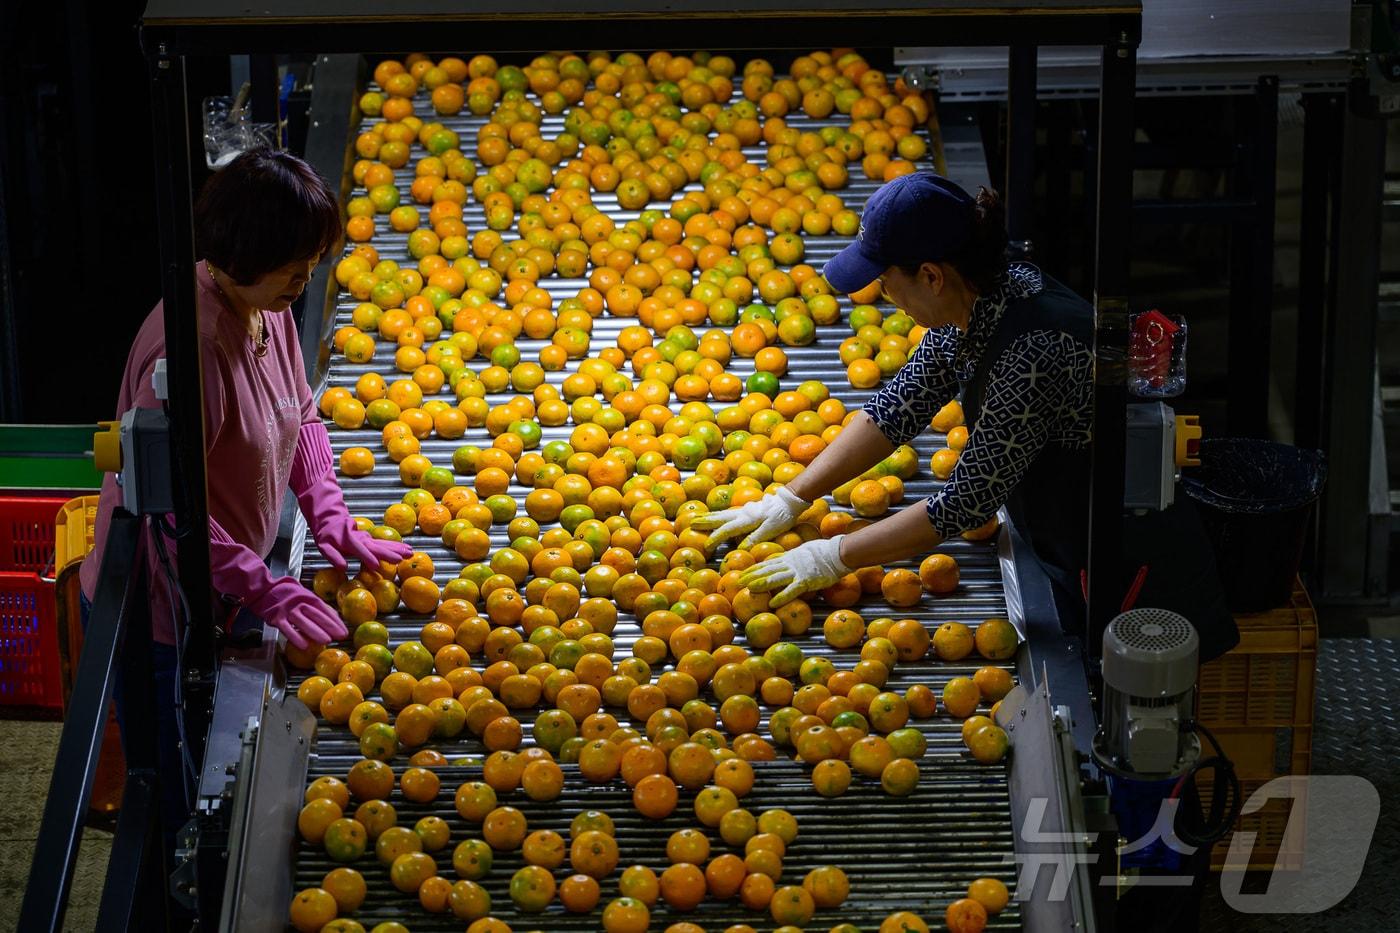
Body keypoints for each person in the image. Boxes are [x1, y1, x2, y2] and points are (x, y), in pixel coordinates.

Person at [694, 171, 1234, 662]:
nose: (881, 296)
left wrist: (830, 557)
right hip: (1068, 538)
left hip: (1132, 580)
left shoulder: (1034, 348)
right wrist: (792, 497)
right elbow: (897, 409)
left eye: (886, 281)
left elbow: (964, 502)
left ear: (930, 276)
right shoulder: (979, 299)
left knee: (1134, 719)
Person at [80, 148, 410, 846]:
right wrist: (266, 588)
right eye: (295, 264)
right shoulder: (191, 348)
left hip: (225, 587)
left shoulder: (271, 305)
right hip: (162, 608)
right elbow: (172, 515)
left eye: (314, 260)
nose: (308, 277)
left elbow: (300, 411)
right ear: (241, 255)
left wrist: (326, 507)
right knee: (176, 797)